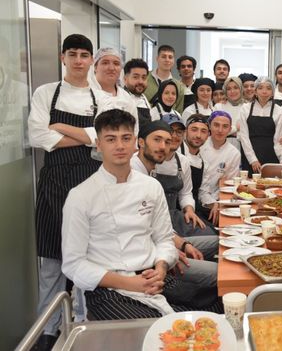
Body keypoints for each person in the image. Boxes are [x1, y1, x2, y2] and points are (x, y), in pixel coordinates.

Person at [61, 109, 215, 321]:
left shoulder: (150, 186)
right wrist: (131, 284)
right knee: (165, 328)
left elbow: (163, 239)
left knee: (218, 303)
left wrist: (161, 267)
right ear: (98, 144)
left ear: (135, 142)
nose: (120, 146)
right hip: (109, 289)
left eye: (125, 138)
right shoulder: (81, 196)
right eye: (110, 139)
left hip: (154, 276)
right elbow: (73, 264)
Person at [28, 34, 101, 347]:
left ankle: (83, 329)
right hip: (53, 185)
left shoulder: (102, 97)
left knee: (88, 260)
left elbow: (103, 138)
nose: (78, 60)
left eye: (84, 55)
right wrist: (87, 136)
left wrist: (59, 128)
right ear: (63, 57)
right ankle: (47, 332)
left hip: (91, 183)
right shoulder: (46, 92)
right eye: (72, 54)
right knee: (53, 265)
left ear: (90, 60)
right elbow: (37, 137)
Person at [128, 118, 220, 310]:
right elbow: (142, 229)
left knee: (221, 241)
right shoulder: (132, 174)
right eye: (157, 140)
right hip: (149, 257)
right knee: (223, 273)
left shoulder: (173, 166)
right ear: (141, 142)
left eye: (167, 141)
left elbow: (183, 197)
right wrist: (170, 252)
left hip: (167, 234)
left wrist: (183, 241)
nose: (163, 146)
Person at [238, 77, 282, 174]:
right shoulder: (245, 109)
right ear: (255, 91)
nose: (264, 91)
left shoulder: (279, 111)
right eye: (260, 88)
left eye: (268, 88)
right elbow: (244, 136)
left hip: (271, 155)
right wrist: (252, 159)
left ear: (272, 92)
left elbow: (279, 138)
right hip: (249, 155)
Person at [199, 111, 241, 217]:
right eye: (216, 125)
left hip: (217, 200)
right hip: (194, 199)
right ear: (209, 126)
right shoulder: (199, 146)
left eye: (225, 126)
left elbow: (229, 185)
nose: (220, 130)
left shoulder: (233, 153)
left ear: (230, 129)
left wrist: (217, 202)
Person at [91, 48, 139, 135]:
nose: (111, 68)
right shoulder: (87, 93)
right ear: (95, 67)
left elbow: (134, 131)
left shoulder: (127, 98)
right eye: (105, 63)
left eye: (116, 64)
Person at [180, 114, 211, 220]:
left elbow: (203, 193)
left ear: (208, 136)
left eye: (203, 131)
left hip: (193, 210)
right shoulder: (175, 153)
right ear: (185, 132)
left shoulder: (204, 164)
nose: (198, 135)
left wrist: (213, 204)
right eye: (194, 129)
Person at [143, 45, 186, 113]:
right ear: (157, 58)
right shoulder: (144, 78)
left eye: (170, 57)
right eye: (163, 56)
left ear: (173, 60)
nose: (167, 60)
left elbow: (179, 111)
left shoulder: (179, 86)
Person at [213, 76, 244, 152]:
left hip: (244, 149)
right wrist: (236, 128)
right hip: (221, 148)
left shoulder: (247, 107)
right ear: (225, 91)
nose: (232, 91)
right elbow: (216, 131)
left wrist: (234, 133)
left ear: (241, 89)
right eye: (229, 89)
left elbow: (249, 132)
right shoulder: (219, 107)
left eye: (236, 88)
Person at [123, 58, 152, 126]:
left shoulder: (144, 98)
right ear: (125, 79)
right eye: (135, 77)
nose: (140, 82)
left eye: (144, 78)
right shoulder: (120, 99)